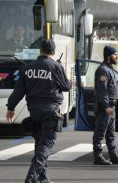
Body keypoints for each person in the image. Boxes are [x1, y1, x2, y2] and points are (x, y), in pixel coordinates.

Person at [6, 39, 71, 183]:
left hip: (34, 112)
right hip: (50, 112)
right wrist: (62, 70)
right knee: (47, 144)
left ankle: (43, 178)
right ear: (53, 52)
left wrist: (11, 108)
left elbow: (18, 92)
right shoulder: (56, 67)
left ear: (40, 50)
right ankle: (32, 176)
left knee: (40, 144)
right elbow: (66, 87)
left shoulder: (28, 68)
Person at [93, 46, 118, 165]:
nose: (117, 57)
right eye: (115, 55)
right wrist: (107, 106)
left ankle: (113, 155)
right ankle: (97, 156)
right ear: (108, 56)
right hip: (105, 107)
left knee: (111, 134)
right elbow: (102, 90)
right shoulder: (103, 70)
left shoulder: (109, 69)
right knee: (100, 132)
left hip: (111, 106)